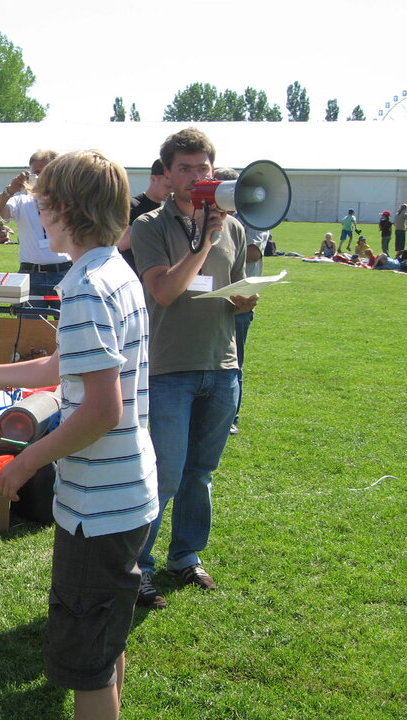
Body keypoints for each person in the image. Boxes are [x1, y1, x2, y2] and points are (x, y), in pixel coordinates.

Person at [0, 150, 158, 720]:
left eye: (41, 202)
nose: (37, 213)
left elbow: (100, 410)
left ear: (64, 209)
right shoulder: (115, 272)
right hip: (128, 492)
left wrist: (23, 462)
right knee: (107, 641)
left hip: (98, 504)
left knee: (85, 662)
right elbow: (60, 367)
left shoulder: (86, 286)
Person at [130, 127, 257, 609]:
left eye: (204, 168)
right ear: (167, 173)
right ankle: (137, 567)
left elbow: (239, 288)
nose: (196, 177)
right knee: (163, 475)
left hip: (222, 366)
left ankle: (185, 556)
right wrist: (203, 240)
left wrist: (247, 300)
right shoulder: (150, 226)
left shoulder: (235, 226)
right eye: (185, 168)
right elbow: (163, 290)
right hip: (170, 369)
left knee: (200, 474)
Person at [212, 167, 267, 437]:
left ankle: (231, 417)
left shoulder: (253, 216)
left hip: (240, 299)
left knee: (234, 361)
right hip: (212, 299)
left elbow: (254, 253)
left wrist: (219, 254)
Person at [0, 149, 71, 306]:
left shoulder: (69, 201)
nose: (41, 177)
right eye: (36, 173)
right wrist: (9, 190)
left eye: (46, 172)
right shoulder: (20, 201)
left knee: (67, 328)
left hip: (64, 274)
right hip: (30, 275)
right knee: (28, 329)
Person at [117, 158, 171, 275]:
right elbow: (121, 242)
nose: (172, 192)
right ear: (153, 179)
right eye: (168, 186)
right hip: (133, 277)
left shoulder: (166, 212)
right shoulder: (131, 206)